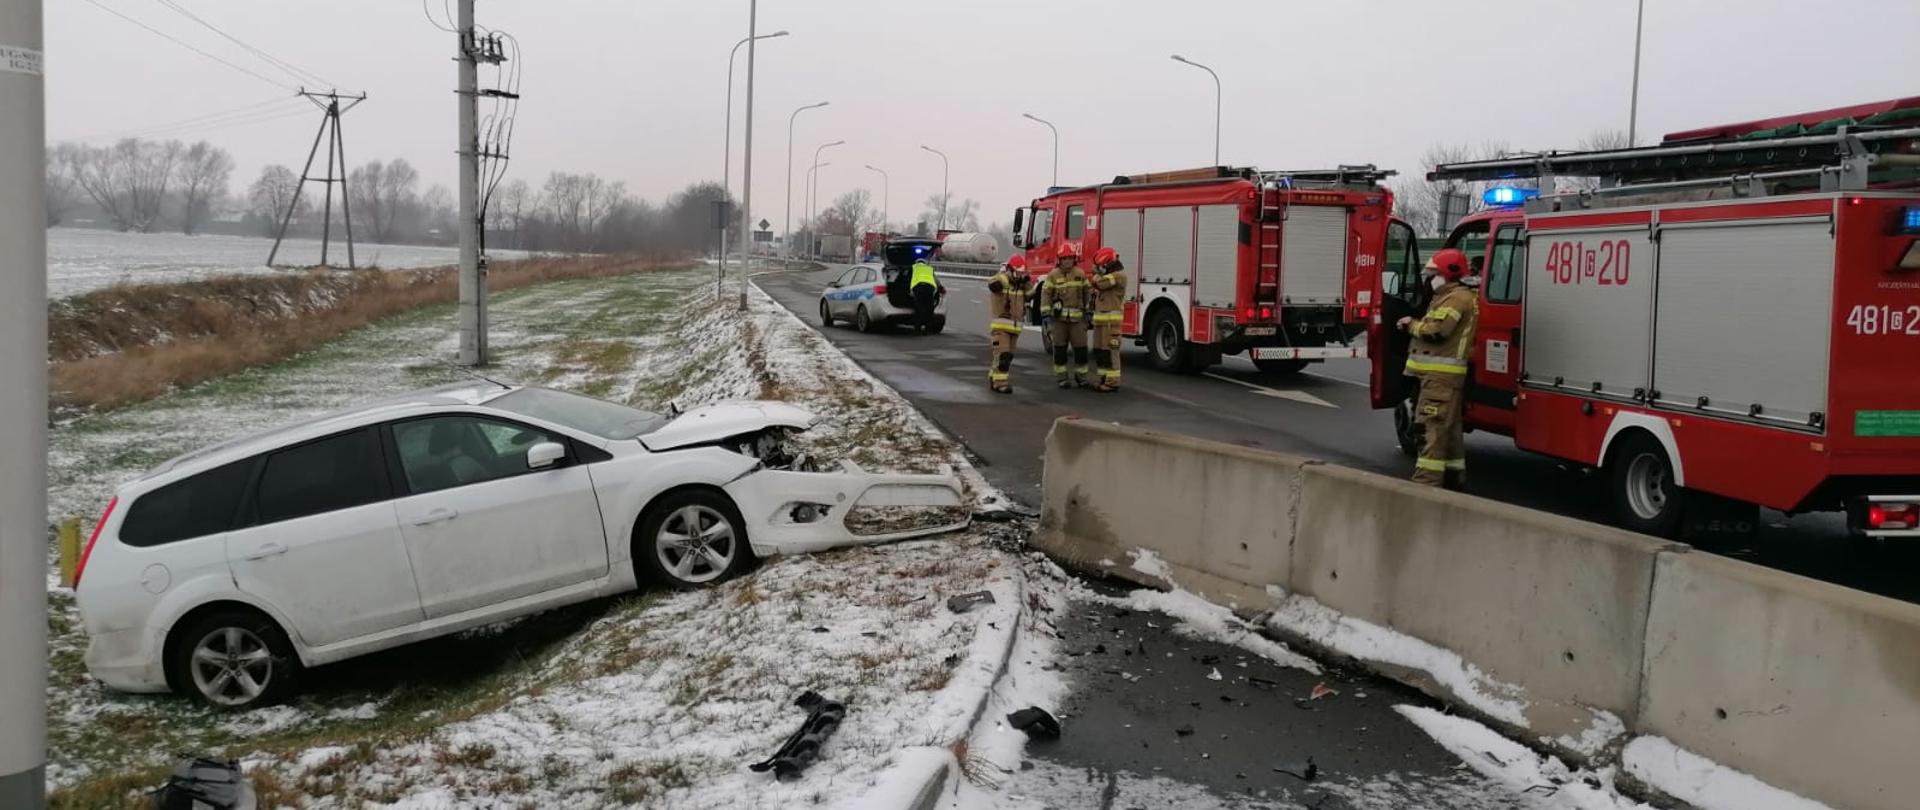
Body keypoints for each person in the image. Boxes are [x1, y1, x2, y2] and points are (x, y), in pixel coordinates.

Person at [1396, 247, 1479, 489]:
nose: (1430, 279)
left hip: (1439, 378)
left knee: (1429, 429)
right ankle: (1453, 478)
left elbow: (1437, 330)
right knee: (1449, 430)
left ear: (1448, 274)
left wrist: (1411, 324)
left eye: (1434, 274)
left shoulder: (1456, 298)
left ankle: (1425, 483)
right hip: (1443, 378)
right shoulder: (1455, 296)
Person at [1039, 242, 1093, 388]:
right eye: (1064, 258)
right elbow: (1046, 295)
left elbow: (1088, 294)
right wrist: (1046, 315)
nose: (1067, 261)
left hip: (1078, 320)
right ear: (1059, 260)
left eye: (1069, 258)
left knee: (1081, 350)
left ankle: (1081, 377)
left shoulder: (1080, 274)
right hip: (1059, 321)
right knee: (1060, 350)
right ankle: (1062, 378)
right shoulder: (1053, 275)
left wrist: (1089, 312)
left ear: (1074, 259)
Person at [985, 255, 1031, 393]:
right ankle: (1000, 383)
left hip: (1015, 328)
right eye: (1018, 272)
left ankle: (994, 376)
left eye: (1022, 273)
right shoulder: (1002, 279)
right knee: (1003, 355)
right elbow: (993, 282)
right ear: (1010, 270)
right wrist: (1005, 279)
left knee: (1007, 357)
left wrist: (1026, 282)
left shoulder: (1020, 285)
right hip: (1001, 327)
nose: (1020, 275)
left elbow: (1031, 294)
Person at [1089, 246, 1128, 393]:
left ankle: (1113, 382)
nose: (1098, 269)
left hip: (1111, 325)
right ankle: (1104, 378)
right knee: (1100, 352)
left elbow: (1100, 282)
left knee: (1111, 352)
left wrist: (1096, 277)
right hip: (1101, 323)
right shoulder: (1108, 276)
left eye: (1101, 266)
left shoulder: (1118, 276)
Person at [909, 255, 940, 334]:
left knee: (919, 308)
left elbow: (909, 278)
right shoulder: (929, 268)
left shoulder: (913, 267)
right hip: (929, 288)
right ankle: (928, 328)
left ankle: (917, 328)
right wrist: (940, 287)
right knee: (929, 308)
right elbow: (936, 280)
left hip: (918, 288)